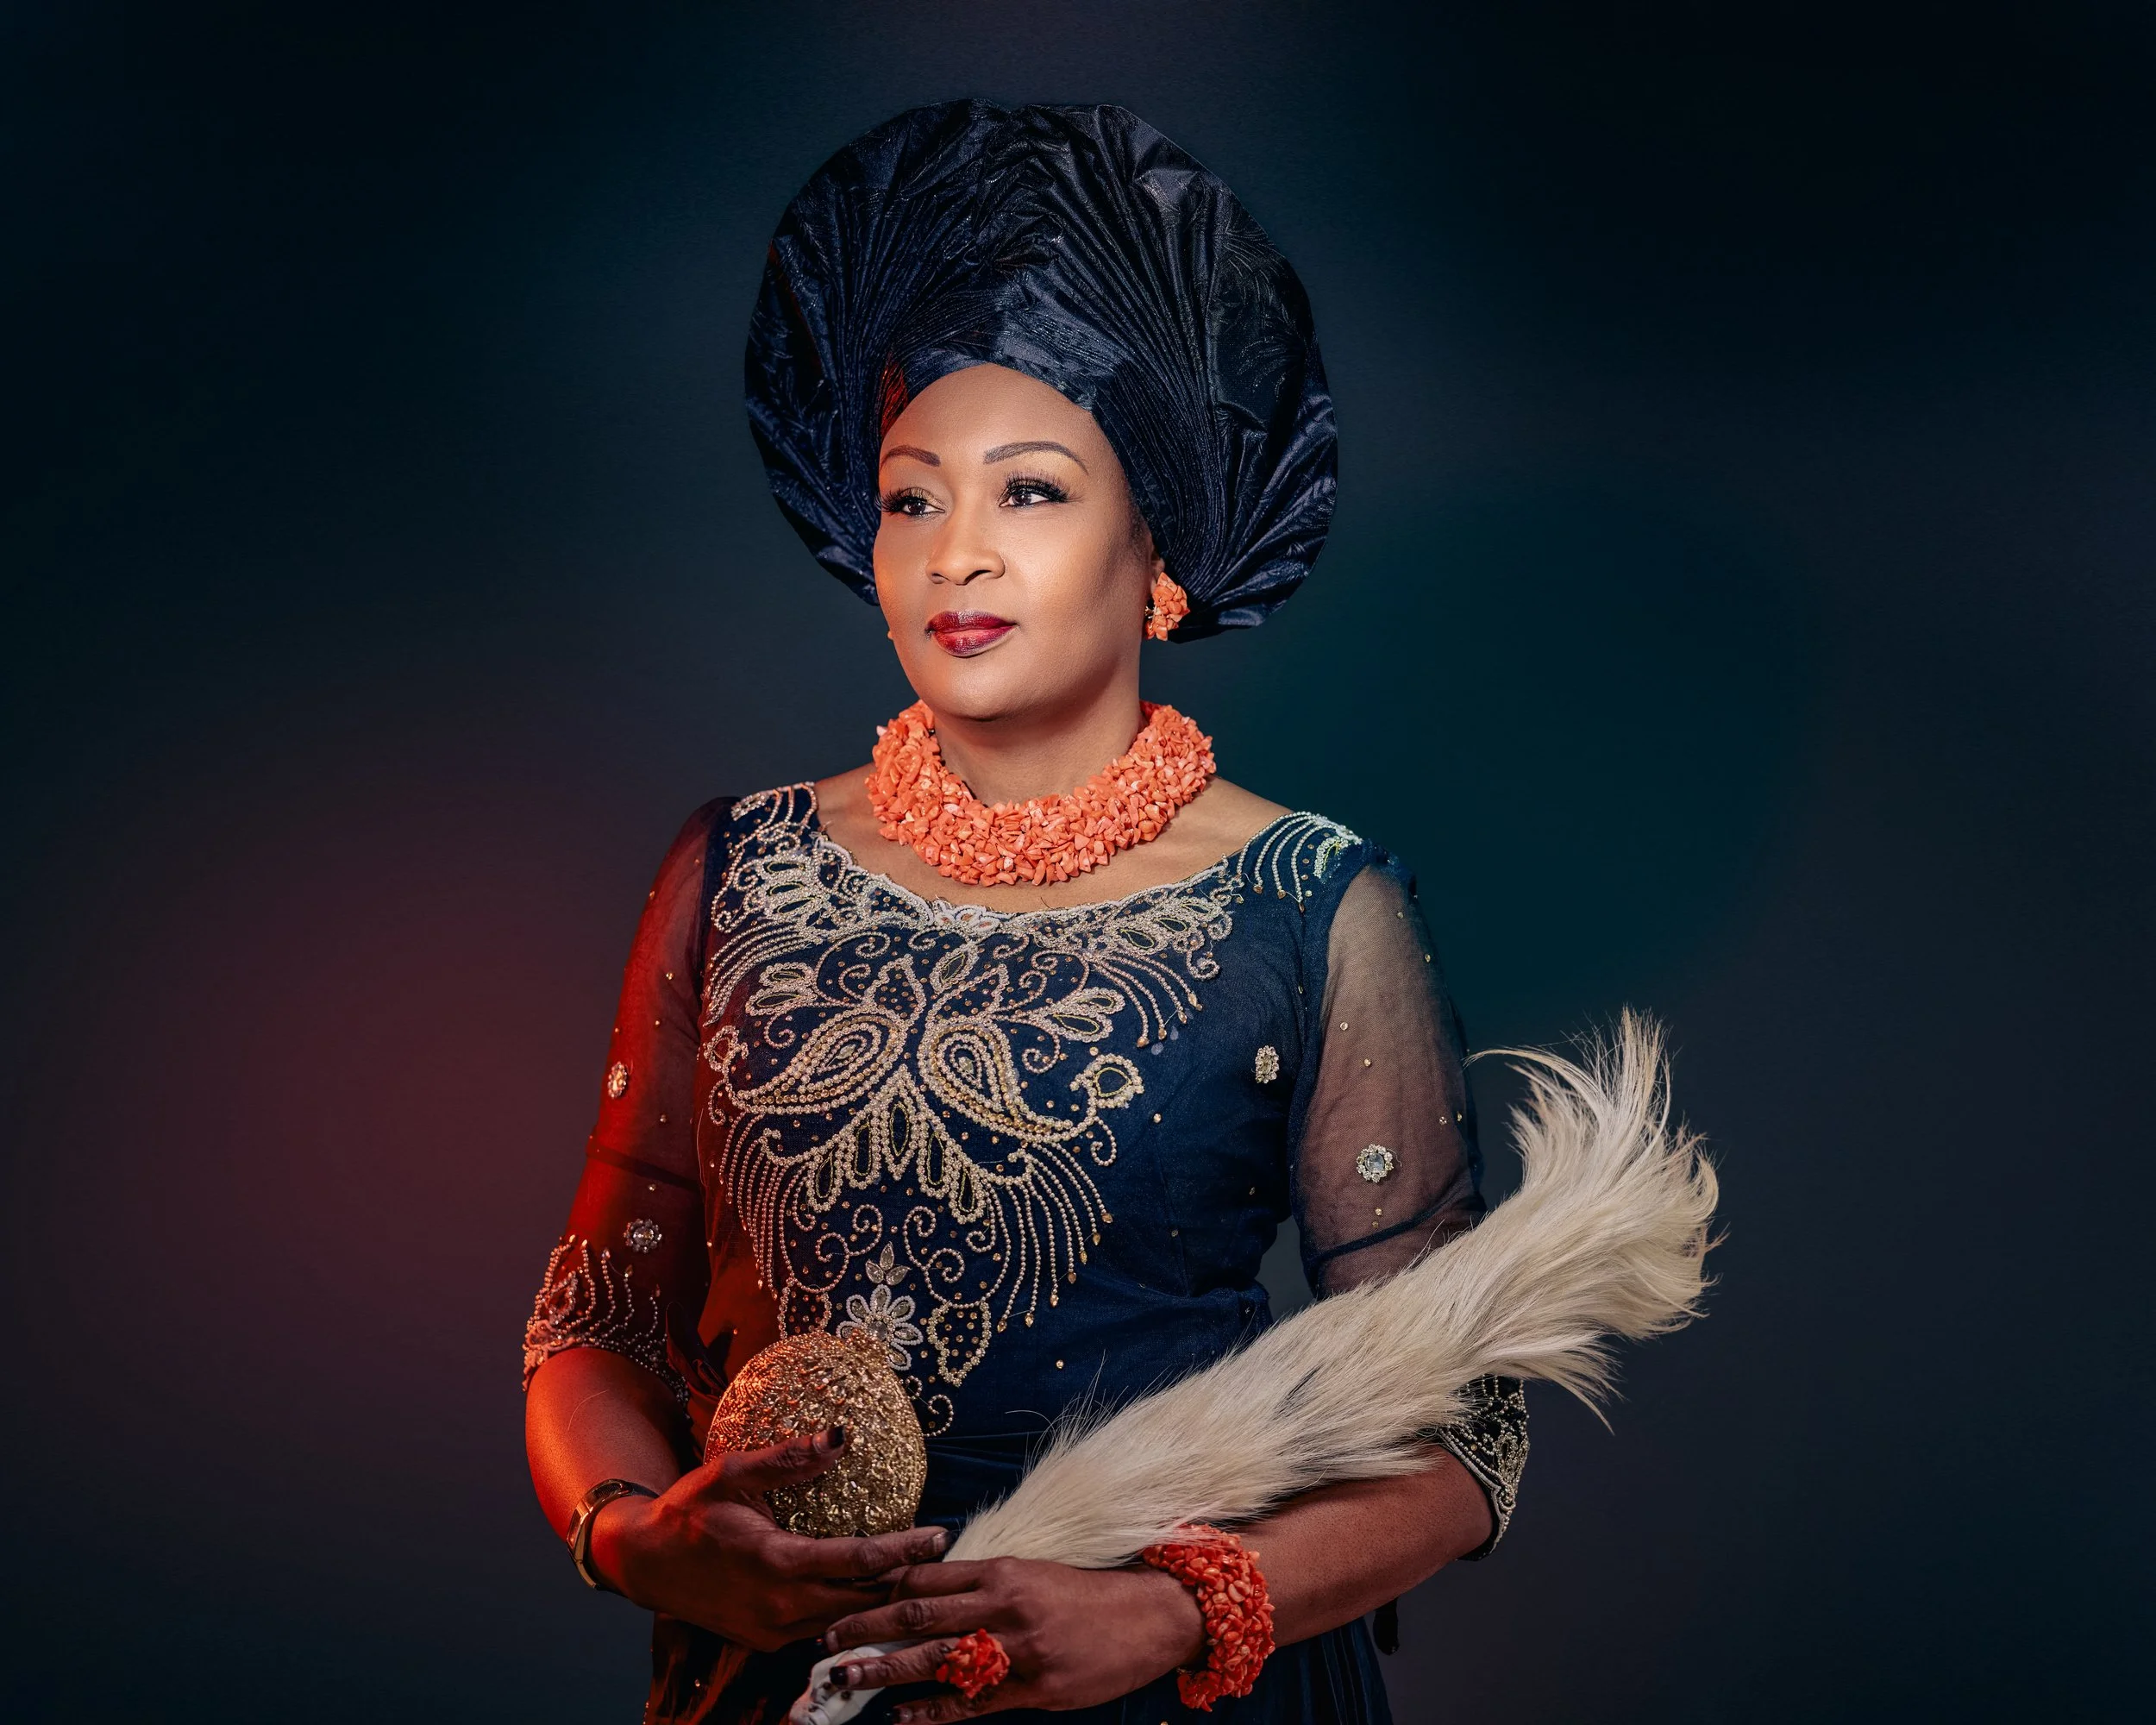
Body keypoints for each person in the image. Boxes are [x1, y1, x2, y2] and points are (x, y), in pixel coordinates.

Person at [523, 101, 1526, 1725]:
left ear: (1162, 553)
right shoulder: (736, 870)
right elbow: (597, 1319)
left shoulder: (1312, 906)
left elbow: (1466, 1432)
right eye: (914, 499)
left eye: (1034, 492)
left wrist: (1174, 1613)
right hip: (783, 1681)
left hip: (1158, 1685)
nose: (958, 553)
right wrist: (636, 1539)